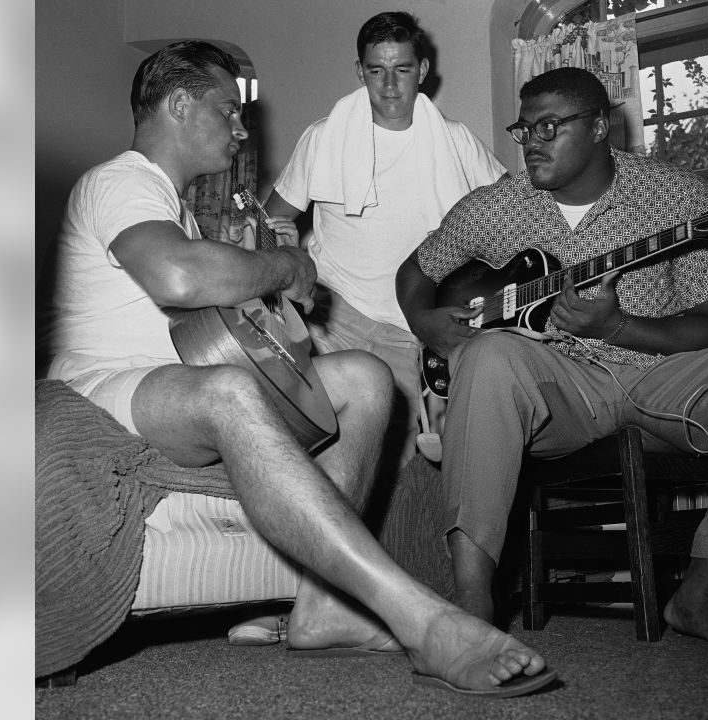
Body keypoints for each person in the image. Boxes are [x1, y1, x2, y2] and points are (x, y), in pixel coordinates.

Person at [43, 40, 557, 697]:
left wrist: (270, 304)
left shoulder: (180, 208)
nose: (240, 127)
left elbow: (203, 318)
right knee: (227, 392)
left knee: (365, 379)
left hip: (174, 381)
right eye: (227, 110)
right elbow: (178, 276)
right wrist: (290, 266)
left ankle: (323, 609)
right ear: (178, 105)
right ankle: (423, 621)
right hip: (100, 392)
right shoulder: (123, 179)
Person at [396, 66, 708, 645]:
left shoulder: (677, 195)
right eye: (524, 129)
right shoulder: (496, 207)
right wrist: (428, 326)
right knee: (490, 355)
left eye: (549, 126)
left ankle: (700, 594)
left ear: (600, 126)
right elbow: (414, 274)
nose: (531, 142)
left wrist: (622, 326)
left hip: (661, 378)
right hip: (560, 391)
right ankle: (472, 602)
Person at [263, 11, 506, 474]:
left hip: (409, 329)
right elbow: (272, 217)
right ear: (360, 72)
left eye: (402, 70)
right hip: (330, 318)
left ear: (423, 71)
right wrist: (278, 247)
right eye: (376, 71)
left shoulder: (456, 142)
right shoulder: (322, 138)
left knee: (402, 470)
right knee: (310, 450)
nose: (389, 86)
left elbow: (517, 218)